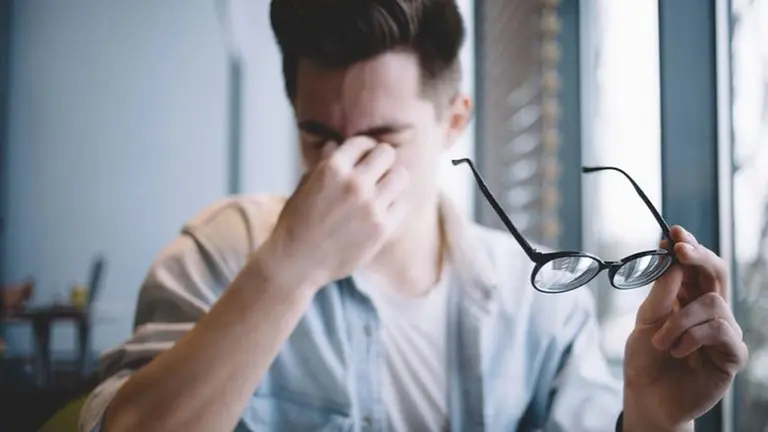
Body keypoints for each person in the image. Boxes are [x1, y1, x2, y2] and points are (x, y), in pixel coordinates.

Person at [80, 1, 748, 431]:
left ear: (454, 120)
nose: (344, 173)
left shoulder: (536, 304)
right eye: (319, 138)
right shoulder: (217, 255)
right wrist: (288, 271)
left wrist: (655, 422)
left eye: (382, 141)